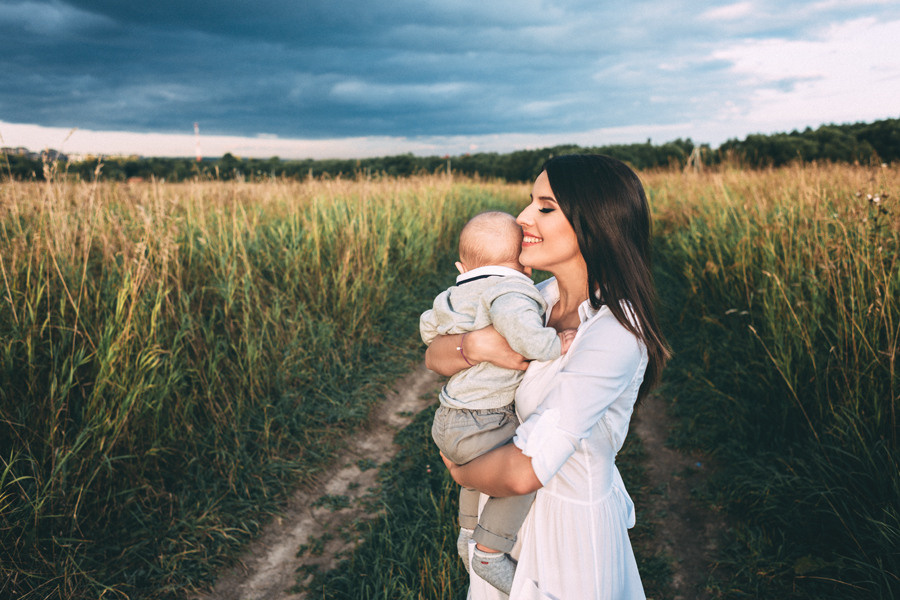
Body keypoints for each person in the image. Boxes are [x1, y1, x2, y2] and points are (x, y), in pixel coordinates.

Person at [426, 154, 670, 599]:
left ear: (593, 221)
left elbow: (523, 475)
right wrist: (473, 347)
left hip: (566, 530)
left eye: (544, 206)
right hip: (505, 515)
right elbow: (434, 355)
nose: (521, 219)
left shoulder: (613, 331)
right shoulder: (537, 298)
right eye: (528, 202)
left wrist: (457, 468)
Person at [420, 211, 577, 594]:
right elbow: (521, 331)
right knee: (517, 475)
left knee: (477, 468)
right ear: (521, 261)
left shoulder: (454, 293)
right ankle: (489, 550)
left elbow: (427, 326)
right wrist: (554, 344)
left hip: (449, 416)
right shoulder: (512, 292)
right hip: (483, 417)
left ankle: (467, 532)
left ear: (462, 266)